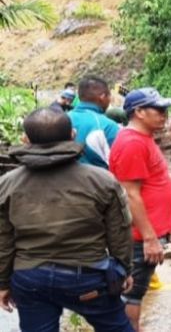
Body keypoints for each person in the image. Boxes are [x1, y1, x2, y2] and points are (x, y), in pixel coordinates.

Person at [0, 109, 134, 332]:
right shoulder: (101, 180)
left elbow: (3, 241)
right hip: (88, 276)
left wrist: (3, 282)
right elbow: (119, 231)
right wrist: (124, 269)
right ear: (73, 135)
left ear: (25, 140)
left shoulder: (7, 184)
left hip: (30, 278)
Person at [109, 88, 171, 331]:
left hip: (146, 232)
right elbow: (130, 194)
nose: (164, 115)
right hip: (140, 236)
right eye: (158, 110)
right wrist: (149, 238)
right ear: (138, 112)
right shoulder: (132, 143)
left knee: (134, 290)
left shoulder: (142, 139)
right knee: (132, 294)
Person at [68, 76, 120, 169]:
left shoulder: (61, 119)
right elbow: (118, 164)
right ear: (102, 97)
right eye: (109, 96)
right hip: (99, 182)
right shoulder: (107, 126)